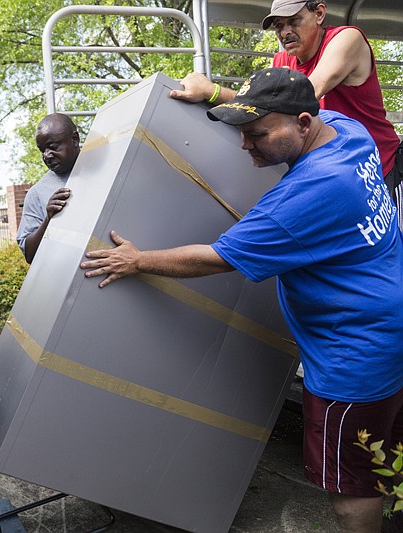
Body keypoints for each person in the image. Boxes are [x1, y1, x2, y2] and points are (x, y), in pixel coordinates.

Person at [81, 68, 403, 532]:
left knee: (350, 485)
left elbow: (217, 258)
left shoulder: (308, 194)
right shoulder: (349, 133)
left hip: (354, 357)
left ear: (303, 125)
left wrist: (137, 260)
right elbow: (288, 107)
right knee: (386, 456)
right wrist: (215, 93)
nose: (245, 145)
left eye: (256, 134)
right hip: (388, 322)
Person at [169, 0, 403, 226]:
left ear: (319, 13)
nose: (285, 32)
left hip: (380, 168)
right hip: (335, 178)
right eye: (279, 26)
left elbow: (302, 97)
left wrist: (213, 91)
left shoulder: (347, 39)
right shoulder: (283, 61)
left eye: (294, 21)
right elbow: (262, 109)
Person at [16, 113, 81, 263]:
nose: (47, 156)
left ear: (74, 139)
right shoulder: (37, 193)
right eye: (42, 150)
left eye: (53, 147)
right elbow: (30, 255)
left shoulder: (108, 171)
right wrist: (49, 219)